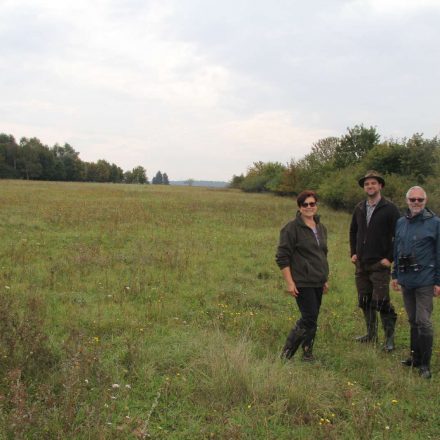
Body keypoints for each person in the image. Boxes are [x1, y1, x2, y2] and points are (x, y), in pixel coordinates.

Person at [391, 186, 440, 379]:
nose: (416, 203)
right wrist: (395, 275)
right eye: (413, 200)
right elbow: (396, 248)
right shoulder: (401, 222)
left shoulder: (435, 223)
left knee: (423, 321)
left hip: (426, 280)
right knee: (412, 319)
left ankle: (425, 366)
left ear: (425, 201)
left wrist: (438, 280)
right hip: (406, 279)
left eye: (420, 200)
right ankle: (415, 358)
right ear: (407, 201)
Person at [276, 190, 329, 361]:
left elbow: (323, 254)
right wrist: (290, 283)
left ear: (316, 205)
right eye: (305, 204)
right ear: (299, 207)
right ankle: (286, 354)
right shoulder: (291, 228)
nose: (309, 207)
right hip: (302, 281)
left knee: (313, 318)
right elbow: (282, 257)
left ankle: (307, 353)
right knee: (308, 317)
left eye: (312, 204)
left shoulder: (321, 227)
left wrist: (324, 279)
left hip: (318, 280)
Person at [350, 171, 400, 351]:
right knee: (364, 300)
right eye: (367, 184)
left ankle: (389, 339)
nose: (370, 186)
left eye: (373, 183)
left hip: (380, 264)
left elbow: (399, 236)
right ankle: (371, 335)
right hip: (361, 263)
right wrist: (353, 253)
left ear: (380, 186)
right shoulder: (359, 208)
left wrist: (390, 258)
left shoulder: (390, 209)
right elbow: (353, 232)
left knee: (381, 301)